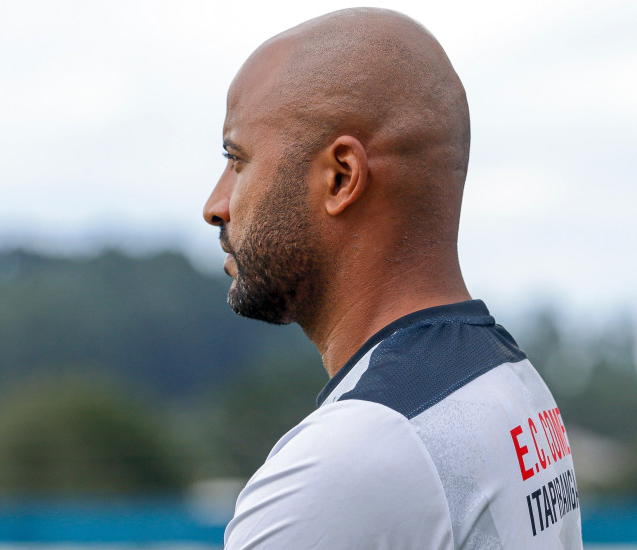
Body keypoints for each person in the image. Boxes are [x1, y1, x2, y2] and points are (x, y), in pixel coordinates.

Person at [202, 7, 583, 550]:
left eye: (237, 160)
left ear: (341, 177)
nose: (215, 205)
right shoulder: (508, 380)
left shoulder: (345, 465)